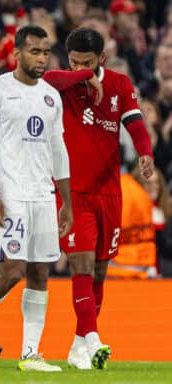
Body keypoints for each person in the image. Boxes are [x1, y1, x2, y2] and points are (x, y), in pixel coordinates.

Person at [42, 27, 154, 369]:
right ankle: (93, 338)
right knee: (82, 264)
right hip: (73, 192)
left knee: (101, 271)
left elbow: (135, 123)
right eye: (74, 61)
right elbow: (46, 79)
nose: (79, 67)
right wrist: (82, 76)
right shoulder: (64, 84)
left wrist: (145, 153)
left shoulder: (120, 84)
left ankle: (79, 345)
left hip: (109, 190)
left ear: (102, 58)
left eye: (87, 63)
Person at [0, 25, 71, 372]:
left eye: (46, 52)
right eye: (35, 51)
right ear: (17, 53)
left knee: (40, 272)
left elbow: (58, 150)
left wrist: (65, 200)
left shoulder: (51, 96)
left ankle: (29, 353)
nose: (42, 58)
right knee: (12, 271)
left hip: (43, 194)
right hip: (10, 194)